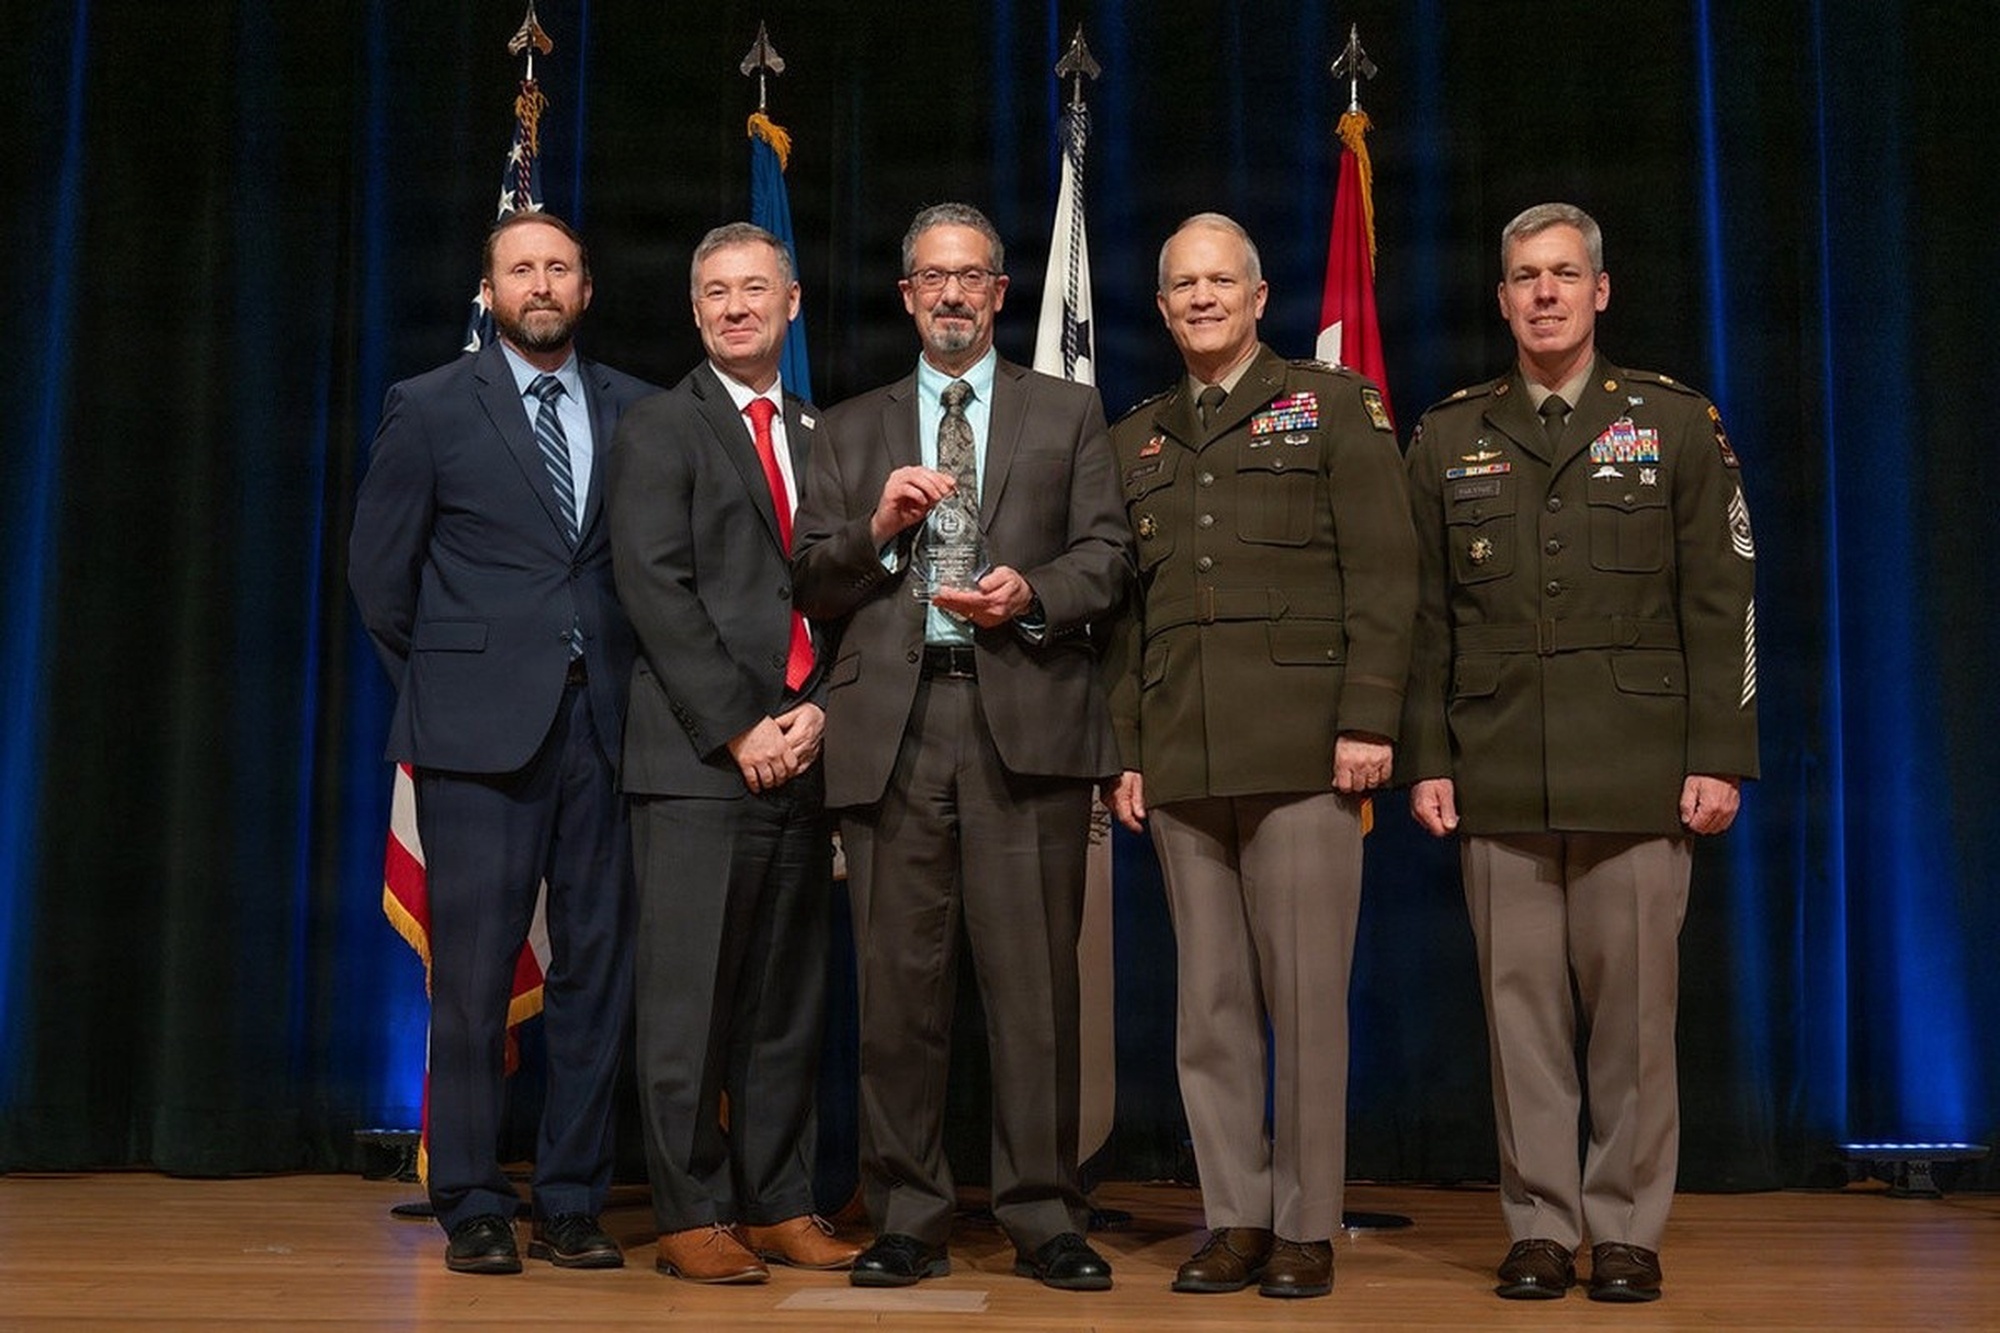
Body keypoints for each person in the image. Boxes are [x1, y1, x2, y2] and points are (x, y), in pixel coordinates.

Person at [1401, 202, 1759, 1304]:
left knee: (1633, 1021)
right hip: (1498, 764)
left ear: (1600, 290)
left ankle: (1622, 1228)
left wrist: (1718, 755)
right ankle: (1539, 1225)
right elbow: (1420, 618)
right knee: (1520, 1022)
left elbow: (1720, 597)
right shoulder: (1446, 434)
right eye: (1523, 276)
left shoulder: (1674, 421)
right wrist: (1426, 757)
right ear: (1500, 298)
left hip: (1638, 767)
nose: (1543, 292)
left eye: (1562, 273)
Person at [791, 202, 1133, 1292]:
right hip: (891, 730)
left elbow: (1109, 557)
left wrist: (1031, 590)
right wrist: (878, 531)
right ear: (906, 296)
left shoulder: (1067, 410)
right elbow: (811, 578)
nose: (950, 294)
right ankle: (906, 1213)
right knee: (897, 995)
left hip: (1024, 719)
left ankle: (1044, 1212)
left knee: (1034, 990)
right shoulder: (846, 426)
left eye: (970, 277)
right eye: (930, 277)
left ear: (998, 294)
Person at [1102, 213, 1417, 1300]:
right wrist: (1129, 749)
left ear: (1256, 296)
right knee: (1210, 1011)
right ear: (1161, 305)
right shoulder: (1132, 438)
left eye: (1217, 282)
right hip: (1183, 757)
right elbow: (1129, 622)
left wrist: (1368, 720)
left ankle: (1304, 1223)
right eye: (1180, 284)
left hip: (1303, 754)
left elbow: (1385, 576)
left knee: (1305, 1005)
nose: (1199, 299)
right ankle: (1232, 1214)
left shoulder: (1332, 407)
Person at [349, 211, 656, 1274]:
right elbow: (379, 580)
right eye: (520, 268)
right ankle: (473, 1194)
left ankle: (570, 1196)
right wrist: (452, 687)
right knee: (474, 976)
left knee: (596, 971)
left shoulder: (641, 410)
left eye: (559, 266)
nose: (541, 282)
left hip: (612, 727)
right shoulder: (429, 406)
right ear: (489, 289)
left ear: (586, 287)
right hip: (473, 736)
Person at [605, 222, 860, 1284]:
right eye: (716, 291)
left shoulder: (822, 431)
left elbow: (844, 590)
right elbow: (653, 588)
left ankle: (778, 1201)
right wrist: (739, 722)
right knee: (687, 1002)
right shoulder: (660, 425)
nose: (736, 306)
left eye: (755, 289)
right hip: (698, 761)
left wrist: (820, 709)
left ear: (791, 303)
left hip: (800, 758)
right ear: (696, 310)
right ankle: (688, 1210)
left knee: (782, 1000)